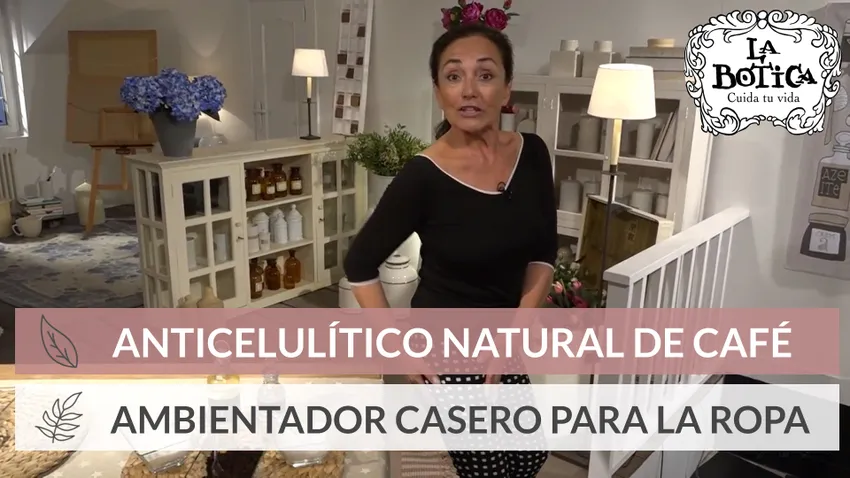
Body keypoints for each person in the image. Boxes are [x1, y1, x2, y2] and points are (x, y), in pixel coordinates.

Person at [342, 22, 557, 478]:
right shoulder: (423, 176)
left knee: (529, 455)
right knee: (487, 469)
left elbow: (543, 253)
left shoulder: (533, 154)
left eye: (485, 74)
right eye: (454, 76)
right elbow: (359, 265)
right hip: (448, 344)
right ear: (439, 91)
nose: (469, 90)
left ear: (507, 88)